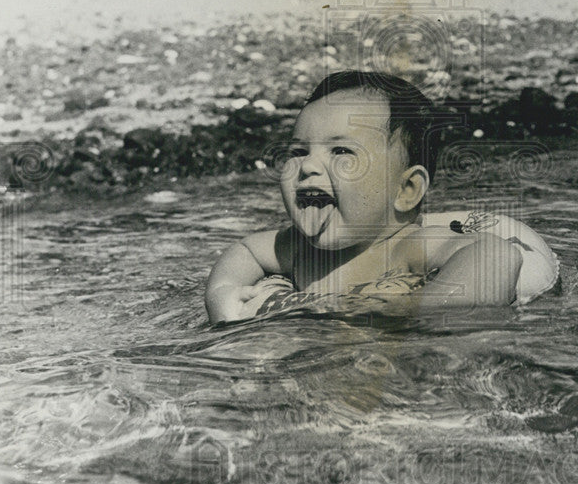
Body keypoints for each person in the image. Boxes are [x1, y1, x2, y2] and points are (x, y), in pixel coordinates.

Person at [204, 71, 523, 324]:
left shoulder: (406, 247)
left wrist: (410, 306)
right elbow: (245, 250)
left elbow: (495, 256)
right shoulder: (297, 249)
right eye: (299, 152)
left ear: (406, 190)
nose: (308, 166)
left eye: (341, 151)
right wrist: (223, 294)